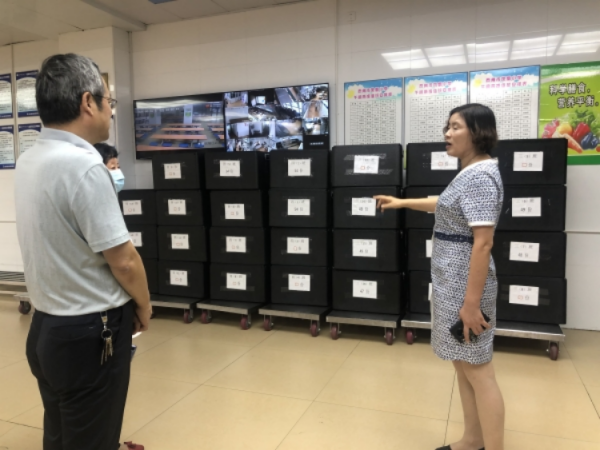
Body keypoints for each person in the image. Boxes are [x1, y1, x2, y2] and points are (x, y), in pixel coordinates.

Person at [14, 53, 150, 450]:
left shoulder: (29, 159)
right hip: (90, 333)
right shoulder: (85, 166)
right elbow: (124, 261)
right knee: (92, 438)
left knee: (60, 432)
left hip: (46, 327)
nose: (111, 110)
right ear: (88, 102)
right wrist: (144, 305)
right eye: (109, 101)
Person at [374, 104, 505, 450]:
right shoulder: (470, 172)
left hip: (466, 286)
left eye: (455, 127)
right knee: (463, 366)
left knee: (479, 371)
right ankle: (473, 440)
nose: (447, 133)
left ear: (478, 132)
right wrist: (401, 203)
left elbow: (483, 243)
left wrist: (471, 305)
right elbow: (444, 204)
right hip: (453, 282)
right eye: (447, 126)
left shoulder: (479, 177)